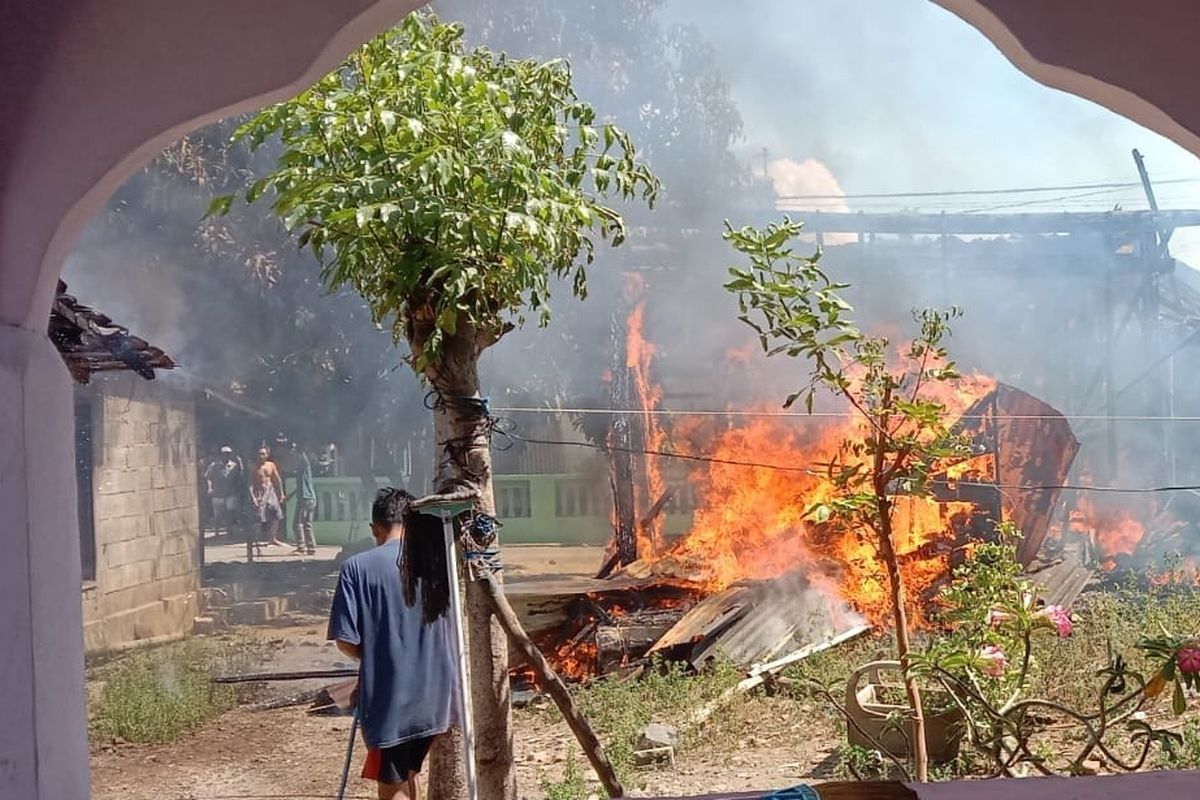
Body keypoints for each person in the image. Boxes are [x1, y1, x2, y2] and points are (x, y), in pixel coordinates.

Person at [328, 488, 459, 800]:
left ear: (375, 528)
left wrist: (374, 658)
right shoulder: (441, 564)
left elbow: (345, 640)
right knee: (407, 772)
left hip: (392, 702)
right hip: (439, 698)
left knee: (392, 785)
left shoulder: (356, 568)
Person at [284, 440, 319, 555]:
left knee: (297, 524)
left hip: (305, 499)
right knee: (307, 524)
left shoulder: (304, 464)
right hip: (310, 498)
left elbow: (302, 456)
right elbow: (299, 486)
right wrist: (290, 496)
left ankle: (302, 547)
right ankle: (311, 547)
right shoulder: (302, 469)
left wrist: (297, 448)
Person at [249, 445, 285, 548]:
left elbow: (277, 479)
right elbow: (250, 484)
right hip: (259, 493)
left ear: (267, 455)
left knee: (277, 515)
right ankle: (255, 540)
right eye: (259, 454)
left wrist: (281, 494)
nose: (261, 456)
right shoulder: (253, 467)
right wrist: (253, 498)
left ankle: (272, 539)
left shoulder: (271, 465)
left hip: (271, 491)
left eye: (263, 454)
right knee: (259, 517)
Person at [204, 446, 244, 537]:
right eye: (224, 454)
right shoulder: (214, 465)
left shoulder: (234, 466)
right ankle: (217, 532)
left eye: (228, 454)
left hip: (231, 493)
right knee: (217, 515)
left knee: (230, 512)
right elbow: (208, 477)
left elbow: (241, 477)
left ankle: (229, 530)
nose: (226, 456)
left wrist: (240, 463)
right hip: (218, 493)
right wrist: (210, 488)